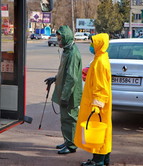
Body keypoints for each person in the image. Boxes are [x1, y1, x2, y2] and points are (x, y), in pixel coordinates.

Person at [74, 33, 112, 166]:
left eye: (93, 43)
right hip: (99, 103)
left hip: (98, 104)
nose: (91, 46)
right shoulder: (100, 59)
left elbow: (101, 86)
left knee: (97, 132)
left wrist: (97, 104)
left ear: (99, 44)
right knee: (104, 131)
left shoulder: (100, 63)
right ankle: (105, 158)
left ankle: (98, 160)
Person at [44, 25, 83, 154]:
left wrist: (65, 96)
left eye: (60, 39)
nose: (58, 41)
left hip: (70, 94)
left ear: (66, 39)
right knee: (64, 119)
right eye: (58, 39)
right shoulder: (67, 50)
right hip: (65, 92)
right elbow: (64, 72)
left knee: (70, 119)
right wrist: (55, 78)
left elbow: (71, 78)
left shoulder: (72, 53)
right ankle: (67, 140)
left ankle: (72, 145)